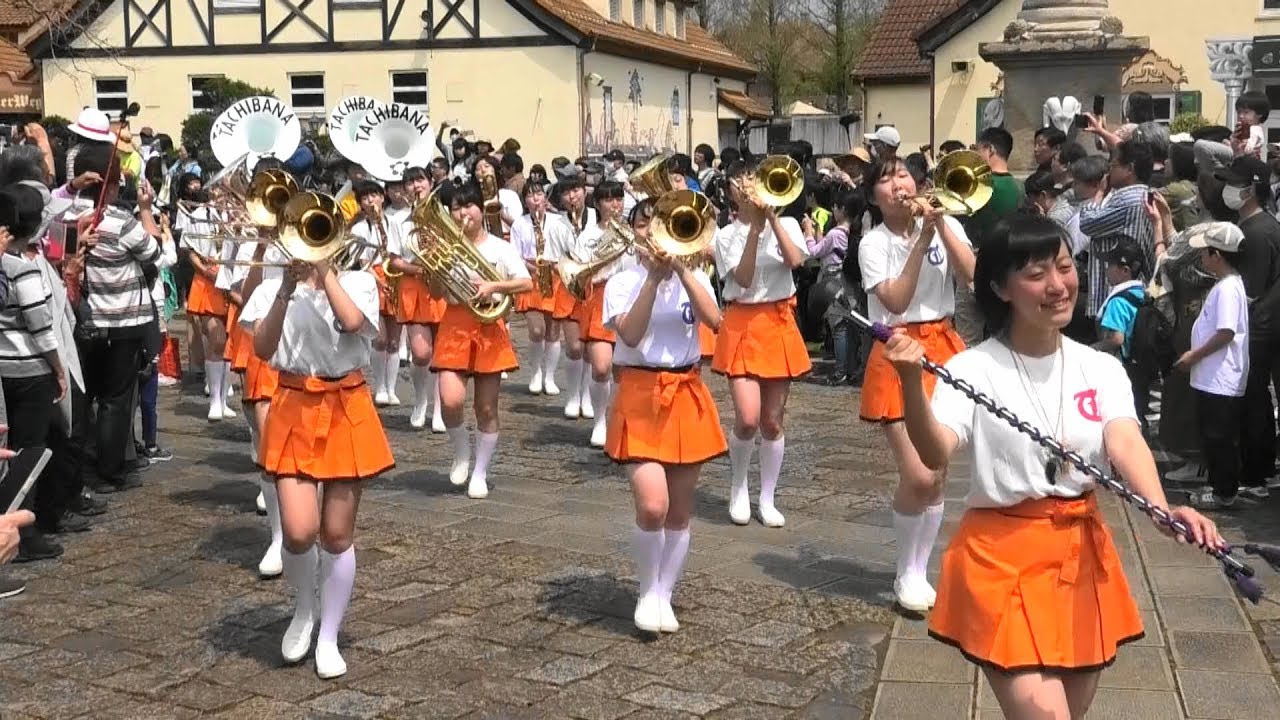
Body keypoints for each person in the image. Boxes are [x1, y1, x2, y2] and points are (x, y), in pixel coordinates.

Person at [881, 213, 1223, 719]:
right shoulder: (970, 368)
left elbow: (1124, 439)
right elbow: (934, 455)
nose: (1058, 285)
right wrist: (911, 383)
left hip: (1081, 556)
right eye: (1036, 274)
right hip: (1001, 558)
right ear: (1000, 286)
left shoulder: (1101, 368)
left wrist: (1161, 507)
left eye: (1063, 266)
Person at [241, 251, 394, 680]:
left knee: (337, 533)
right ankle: (304, 609)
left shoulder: (360, 282)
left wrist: (325, 273)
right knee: (298, 530)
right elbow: (262, 347)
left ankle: (329, 634)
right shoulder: (274, 289)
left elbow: (351, 322)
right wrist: (286, 290)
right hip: (292, 405)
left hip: (346, 403)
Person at [857, 155, 974, 612]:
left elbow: (973, 276)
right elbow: (897, 298)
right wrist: (923, 238)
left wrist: (941, 227)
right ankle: (906, 570)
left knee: (939, 473)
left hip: (943, 345)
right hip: (898, 350)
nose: (897, 185)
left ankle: (921, 569)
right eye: (885, 180)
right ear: (873, 197)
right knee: (920, 474)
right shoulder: (873, 243)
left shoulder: (945, 224)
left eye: (902, 174)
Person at [603, 198, 725, 634]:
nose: (652, 233)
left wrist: (682, 271)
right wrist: (653, 279)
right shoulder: (621, 282)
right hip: (639, 390)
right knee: (653, 504)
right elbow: (632, 334)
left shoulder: (696, 279)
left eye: (661, 224)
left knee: (679, 510)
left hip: (686, 388)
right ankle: (646, 590)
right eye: (644, 225)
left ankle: (664, 593)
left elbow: (714, 320)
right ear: (633, 231)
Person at [712, 159, 811, 528]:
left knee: (772, 420)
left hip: (778, 321)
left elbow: (796, 260)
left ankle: (767, 496)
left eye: (754, 179)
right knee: (748, 417)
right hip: (741, 321)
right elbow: (744, 277)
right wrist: (753, 229)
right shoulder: (724, 235)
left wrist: (770, 219)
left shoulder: (785, 223)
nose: (750, 186)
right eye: (742, 182)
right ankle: (738, 485)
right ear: (732, 192)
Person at [430, 183, 533, 499]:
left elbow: (526, 282)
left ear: (480, 209)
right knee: (450, 400)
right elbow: (435, 293)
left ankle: (480, 472)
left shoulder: (500, 248)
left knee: (486, 407)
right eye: (457, 208)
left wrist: (493, 286)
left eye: (469, 206)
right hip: (455, 324)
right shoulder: (445, 245)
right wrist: (435, 266)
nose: (464, 213)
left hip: (489, 326)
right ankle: (461, 451)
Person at [1174, 224, 1250, 509]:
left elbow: (1226, 332)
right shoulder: (1227, 285)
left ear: (1216, 254)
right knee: (1213, 435)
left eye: (1205, 252)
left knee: (1219, 437)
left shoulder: (1228, 288)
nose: (1202, 258)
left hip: (1220, 377)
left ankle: (1224, 492)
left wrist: (1195, 355)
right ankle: (1220, 485)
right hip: (1213, 377)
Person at [570, 180, 632, 447]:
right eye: (608, 199)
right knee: (601, 366)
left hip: (629, 297)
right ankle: (599, 421)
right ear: (598, 204)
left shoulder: (633, 232)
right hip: (599, 295)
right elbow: (582, 269)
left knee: (624, 369)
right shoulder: (589, 235)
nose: (614, 205)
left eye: (618, 199)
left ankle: (621, 417)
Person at [391, 167, 448, 432]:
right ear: (404, 189)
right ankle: (420, 400)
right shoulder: (398, 221)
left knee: (441, 354)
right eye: (410, 182)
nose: (416, 185)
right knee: (421, 353)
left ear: (430, 182)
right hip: (413, 287)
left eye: (420, 180)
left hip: (441, 286)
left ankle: (440, 407)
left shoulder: (444, 214)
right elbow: (394, 261)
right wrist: (418, 270)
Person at [510, 182, 570, 397]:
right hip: (531, 277)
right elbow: (514, 254)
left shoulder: (558, 221)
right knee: (537, 330)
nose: (535, 198)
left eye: (539, 194)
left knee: (553, 331)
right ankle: (535, 372)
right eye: (530, 195)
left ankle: (550, 376)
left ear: (545, 198)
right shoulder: (520, 224)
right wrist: (532, 267)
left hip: (554, 276)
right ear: (525, 200)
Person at [348, 180, 403, 407]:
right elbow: (361, 261)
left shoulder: (394, 223)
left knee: (395, 340)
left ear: (382, 197)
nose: (371, 201)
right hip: (372, 279)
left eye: (374, 195)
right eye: (365, 198)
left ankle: (392, 388)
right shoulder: (359, 228)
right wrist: (379, 280)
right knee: (379, 338)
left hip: (395, 276)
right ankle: (380, 385)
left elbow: (399, 253)